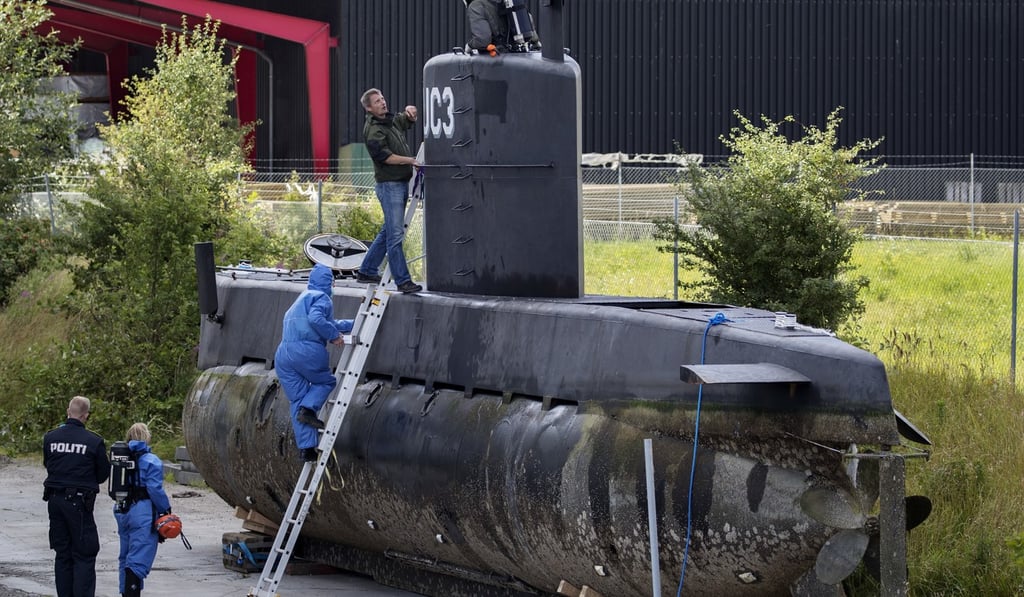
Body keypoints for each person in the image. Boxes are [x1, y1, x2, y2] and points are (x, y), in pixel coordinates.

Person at [275, 263, 355, 461]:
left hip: (284, 354)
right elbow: (316, 319)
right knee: (325, 382)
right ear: (328, 282)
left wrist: (352, 325)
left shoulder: (301, 299)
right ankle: (310, 408)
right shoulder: (322, 297)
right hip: (307, 350)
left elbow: (323, 321)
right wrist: (334, 335)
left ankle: (307, 449)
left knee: (297, 399)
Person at [356, 88, 423, 294]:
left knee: (388, 231)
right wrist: (411, 160)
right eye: (377, 102)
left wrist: (411, 112)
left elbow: (404, 120)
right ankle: (403, 281)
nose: (383, 103)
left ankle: (366, 270)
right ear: (369, 108)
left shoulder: (388, 120)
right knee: (395, 235)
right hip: (390, 186)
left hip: (400, 183)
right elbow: (385, 157)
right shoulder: (374, 130)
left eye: (383, 99)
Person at [42, 395, 109, 597]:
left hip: (54, 501)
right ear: (85, 416)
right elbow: (102, 474)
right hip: (78, 503)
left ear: (68, 412)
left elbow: (48, 464)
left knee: (63, 554)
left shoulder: (50, 438)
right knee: (84, 554)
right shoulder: (94, 442)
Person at [112, 423, 171, 597]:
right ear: (146, 437)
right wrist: (166, 510)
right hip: (142, 512)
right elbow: (154, 489)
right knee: (138, 559)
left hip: (122, 509)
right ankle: (133, 593)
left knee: (125, 556)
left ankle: (125, 592)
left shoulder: (120, 458)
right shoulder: (151, 461)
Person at [464, 0, 540, 55]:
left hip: (497, 61)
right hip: (519, 54)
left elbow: (482, 40)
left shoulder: (476, 5)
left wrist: (470, 46)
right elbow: (527, 18)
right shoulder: (507, 2)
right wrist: (536, 43)